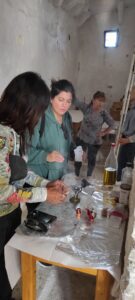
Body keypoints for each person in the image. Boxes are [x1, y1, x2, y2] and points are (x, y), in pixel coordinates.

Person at [0, 72, 67, 300]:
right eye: (39, 110)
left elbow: (21, 171)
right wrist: (43, 194)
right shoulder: (2, 136)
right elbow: (3, 193)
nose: (40, 117)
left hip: (9, 214)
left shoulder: (15, 133)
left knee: (8, 266)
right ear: (25, 107)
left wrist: (46, 183)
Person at [27, 79, 75, 181]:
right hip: (41, 179)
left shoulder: (67, 118)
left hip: (61, 177)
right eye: (60, 100)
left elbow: (66, 142)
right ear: (51, 98)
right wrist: (46, 156)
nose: (64, 105)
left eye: (68, 101)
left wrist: (76, 150)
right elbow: (25, 151)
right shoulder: (39, 118)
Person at [74, 91, 114, 178]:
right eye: (99, 100)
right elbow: (75, 101)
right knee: (78, 157)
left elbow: (112, 124)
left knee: (91, 160)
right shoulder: (86, 108)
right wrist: (68, 90)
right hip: (82, 137)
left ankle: (89, 177)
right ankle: (76, 174)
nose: (101, 103)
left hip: (94, 140)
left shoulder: (103, 113)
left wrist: (104, 132)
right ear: (93, 100)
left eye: (103, 101)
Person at [117, 87, 135, 181]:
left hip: (131, 145)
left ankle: (124, 192)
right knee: (120, 167)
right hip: (125, 142)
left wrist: (127, 140)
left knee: (127, 170)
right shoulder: (132, 107)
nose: (129, 92)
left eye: (132, 91)